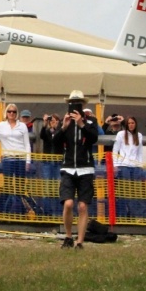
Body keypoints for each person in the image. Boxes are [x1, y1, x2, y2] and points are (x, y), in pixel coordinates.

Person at [54, 90, 99, 249]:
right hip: (68, 168)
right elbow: (55, 143)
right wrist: (63, 127)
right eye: (72, 103)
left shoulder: (91, 121)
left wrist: (81, 124)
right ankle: (68, 236)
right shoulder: (65, 121)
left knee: (82, 206)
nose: (75, 106)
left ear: (83, 104)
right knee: (68, 203)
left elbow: (93, 138)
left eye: (78, 103)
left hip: (85, 168)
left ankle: (80, 241)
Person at [0, 104, 33, 215]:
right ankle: (5, 212)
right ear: (6, 113)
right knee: (7, 186)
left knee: (20, 187)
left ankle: (19, 212)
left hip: (21, 158)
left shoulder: (22, 126)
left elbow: (27, 144)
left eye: (14, 111)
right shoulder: (1, 125)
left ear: (17, 113)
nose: (11, 113)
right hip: (8, 159)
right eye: (9, 111)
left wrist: (28, 161)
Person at [112, 116, 145, 219]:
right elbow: (115, 150)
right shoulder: (120, 134)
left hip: (135, 166)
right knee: (124, 191)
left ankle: (135, 215)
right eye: (129, 123)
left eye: (132, 123)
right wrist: (115, 164)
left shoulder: (139, 135)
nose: (131, 125)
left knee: (136, 191)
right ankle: (123, 215)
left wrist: (140, 165)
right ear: (126, 124)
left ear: (135, 124)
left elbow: (140, 152)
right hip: (123, 165)